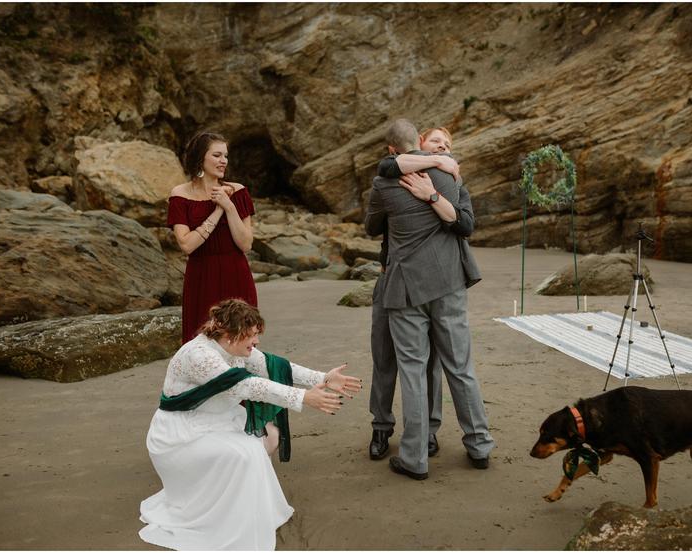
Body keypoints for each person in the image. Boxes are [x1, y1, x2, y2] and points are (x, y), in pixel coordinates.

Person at [139, 299, 362, 550]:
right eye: (252, 335)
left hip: (218, 420)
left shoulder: (236, 348)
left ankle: (240, 504)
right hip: (181, 434)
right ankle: (219, 514)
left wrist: (322, 378)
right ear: (230, 333)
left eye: (257, 334)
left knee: (269, 437)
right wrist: (302, 397)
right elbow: (245, 385)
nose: (256, 342)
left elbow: (276, 366)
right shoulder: (199, 355)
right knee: (245, 454)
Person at [365, 119, 494, 480]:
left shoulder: (384, 183)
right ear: (420, 142)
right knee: (460, 368)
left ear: (393, 148)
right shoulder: (450, 175)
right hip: (448, 284)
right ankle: (480, 445)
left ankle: (414, 458)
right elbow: (463, 224)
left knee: (412, 371)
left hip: (406, 289)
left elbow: (371, 226)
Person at [168, 130, 258, 344]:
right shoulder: (180, 195)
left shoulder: (237, 191)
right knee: (202, 343)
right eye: (217, 155)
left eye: (225, 156)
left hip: (236, 272)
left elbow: (245, 244)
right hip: (201, 276)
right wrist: (217, 211)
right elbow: (187, 245)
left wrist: (229, 207)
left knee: (241, 341)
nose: (223, 161)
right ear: (201, 158)